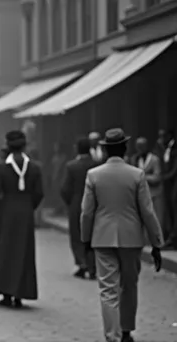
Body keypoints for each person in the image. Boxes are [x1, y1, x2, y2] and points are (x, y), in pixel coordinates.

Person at [81, 128, 163, 342]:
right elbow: (147, 211)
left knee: (108, 289)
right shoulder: (137, 174)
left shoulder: (94, 175)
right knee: (129, 285)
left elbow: (87, 212)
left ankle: (112, 335)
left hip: (103, 237)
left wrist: (86, 239)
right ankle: (126, 330)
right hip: (131, 238)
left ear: (106, 150)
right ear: (125, 148)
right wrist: (156, 243)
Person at [0, 130, 43, 308]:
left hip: (6, 211)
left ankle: (6, 292)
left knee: (6, 251)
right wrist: (28, 207)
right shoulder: (34, 168)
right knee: (23, 251)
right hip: (25, 211)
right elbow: (39, 193)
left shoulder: (1, 168)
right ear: (25, 146)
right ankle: (20, 292)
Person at [60, 137, 97, 279]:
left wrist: (70, 202)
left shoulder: (72, 166)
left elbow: (64, 188)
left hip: (77, 204)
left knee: (77, 235)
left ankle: (82, 263)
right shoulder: (96, 165)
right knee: (92, 235)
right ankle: (92, 265)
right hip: (94, 204)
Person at [129, 137, 165, 239]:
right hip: (141, 194)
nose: (139, 148)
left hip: (155, 192)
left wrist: (142, 175)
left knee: (156, 217)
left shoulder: (154, 159)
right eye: (138, 146)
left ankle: (158, 239)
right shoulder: (134, 159)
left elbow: (157, 177)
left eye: (142, 146)